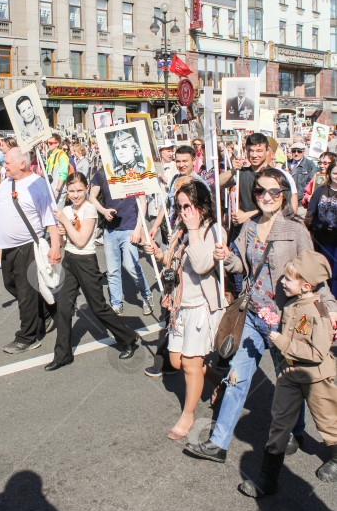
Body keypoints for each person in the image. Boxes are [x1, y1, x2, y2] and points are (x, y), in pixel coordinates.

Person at [185, 168, 337, 464]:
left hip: (287, 320)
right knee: (237, 377)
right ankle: (218, 444)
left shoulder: (294, 229)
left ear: (283, 195)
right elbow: (240, 263)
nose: (266, 197)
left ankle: (297, 429)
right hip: (253, 315)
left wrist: (330, 307)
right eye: (260, 192)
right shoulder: (250, 225)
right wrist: (225, 257)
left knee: (291, 379)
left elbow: (314, 273)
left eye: (273, 192)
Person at [240, 250, 337, 497]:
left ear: (305, 286)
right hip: (290, 374)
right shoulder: (293, 304)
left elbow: (316, 352)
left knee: (328, 421)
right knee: (280, 423)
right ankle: (267, 479)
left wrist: (282, 342)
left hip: (315, 377)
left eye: (288, 279)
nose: (283, 282)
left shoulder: (316, 311)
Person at [145, 180, 226, 439]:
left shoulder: (214, 230)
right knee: (177, 361)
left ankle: (188, 415)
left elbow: (202, 264)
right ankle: (218, 382)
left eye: (188, 206)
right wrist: (158, 253)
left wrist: (193, 229)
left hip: (201, 305)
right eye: (179, 207)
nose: (183, 212)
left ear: (201, 205)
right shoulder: (180, 228)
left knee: (192, 364)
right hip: (179, 304)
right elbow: (173, 259)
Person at [45, 172, 139, 371]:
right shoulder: (67, 209)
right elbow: (66, 243)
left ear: (87, 189)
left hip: (86, 261)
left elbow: (81, 240)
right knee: (63, 307)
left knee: (98, 307)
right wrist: (61, 233)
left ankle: (128, 338)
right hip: (69, 260)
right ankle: (62, 355)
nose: (76, 194)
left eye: (80, 190)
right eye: (71, 191)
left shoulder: (90, 209)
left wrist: (65, 222)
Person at [0, 148, 60, 354]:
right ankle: (46, 311)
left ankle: (27, 337)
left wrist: (55, 247)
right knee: (10, 284)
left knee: (25, 291)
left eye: (7, 163)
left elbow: (50, 220)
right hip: (6, 247)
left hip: (27, 245)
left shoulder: (38, 184)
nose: (4, 166)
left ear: (22, 163)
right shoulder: (5, 184)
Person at [89, 167, 153, 316]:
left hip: (130, 227)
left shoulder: (134, 171)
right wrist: (103, 211)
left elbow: (143, 203)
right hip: (110, 229)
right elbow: (92, 196)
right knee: (112, 270)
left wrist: (138, 229)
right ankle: (116, 304)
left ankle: (146, 295)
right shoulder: (102, 172)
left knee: (131, 266)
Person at [307, 158, 337, 296]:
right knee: (327, 270)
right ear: (330, 173)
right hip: (324, 239)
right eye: (335, 173)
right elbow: (311, 212)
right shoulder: (320, 191)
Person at [289, 141, 317, 215]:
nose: (296, 153)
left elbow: (310, 184)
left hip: (301, 204)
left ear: (304, 152)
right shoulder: (287, 164)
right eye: (294, 151)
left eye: (299, 151)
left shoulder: (310, 164)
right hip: (287, 202)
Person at [46, 133, 70, 208]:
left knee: (57, 214)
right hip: (50, 189)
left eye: (50, 143)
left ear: (57, 144)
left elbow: (63, 174)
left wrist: (57, 190)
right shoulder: (49, 156)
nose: (48, 145)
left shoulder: (62, 155)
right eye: (47, 143)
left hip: (59, 191)